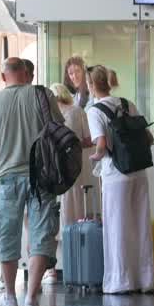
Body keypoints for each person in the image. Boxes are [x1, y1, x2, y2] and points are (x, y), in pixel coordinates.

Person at [0, 57, 64, 306]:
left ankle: (10, 298)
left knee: (8, 237)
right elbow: (60, 131)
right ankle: (31, 301)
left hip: (6, 179)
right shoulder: (43, 95)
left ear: (4, 77)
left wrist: (3, 153)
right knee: (41, 237)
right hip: (42, 178)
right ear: (26, 73)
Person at [86, 65, 154, 295]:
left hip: (115, 176)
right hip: (138, 172)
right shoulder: (127, 104)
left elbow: (101, 146)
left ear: (91, 85)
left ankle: (120, 281)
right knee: (141, 225)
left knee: (117, 227)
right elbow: (149, 138)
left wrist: (93, 157)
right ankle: (146, 280)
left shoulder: (95, 111)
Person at [50, 82, 94, 224]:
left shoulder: (49, 116)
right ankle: (79, 228)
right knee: (79, 197)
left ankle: (64, 232)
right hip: (77, 163)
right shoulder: (78, 111)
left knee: (62, 199)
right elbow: (88, 141)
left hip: (56, 166)